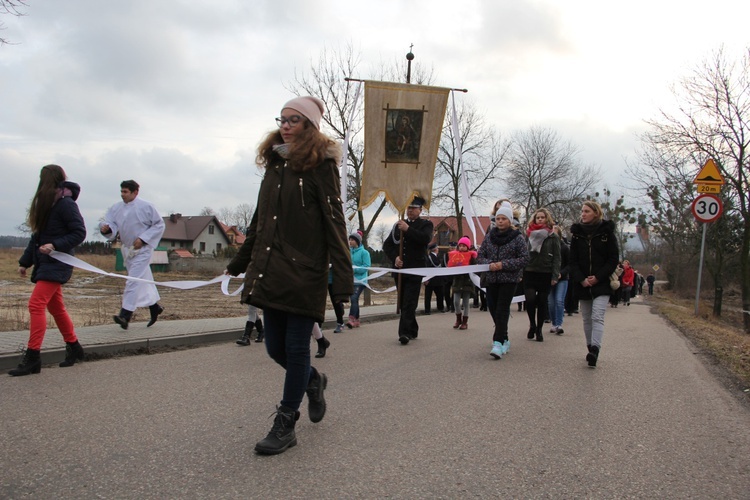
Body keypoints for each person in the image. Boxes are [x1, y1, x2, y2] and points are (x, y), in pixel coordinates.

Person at [225, 95, 352, 455]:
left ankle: (285, 423)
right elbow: (260, 222)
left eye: (294, 119)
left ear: (309, 126)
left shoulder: (321, 167)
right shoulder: (275, 164)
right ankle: (314, 381)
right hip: (270, 270)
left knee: (296, 348)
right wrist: (238, 262)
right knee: (273, 348)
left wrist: (341, 281)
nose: (285, 125)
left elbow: (335, 225)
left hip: (305, 273)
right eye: (282, 118)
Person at [10, 164, 86, 376]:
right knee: (56, 308)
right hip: (45, 263)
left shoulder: (66, 204)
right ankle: (75, 347)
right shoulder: (46, 204)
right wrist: (25, 262)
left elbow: (79, 232)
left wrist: (55, 245)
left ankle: (33, 357)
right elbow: (37, 237)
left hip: (58, 261)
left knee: (36, 305)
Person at [100, 180, 166, 330]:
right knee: (142, 281)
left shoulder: (146, 206)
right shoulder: (116, 208)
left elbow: (159, 224)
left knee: (132, 280)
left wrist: (143, 239)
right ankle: (155, 308)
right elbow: (111, 224)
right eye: (122, 191)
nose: (123, 194)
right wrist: (106, 229)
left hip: (143, 250)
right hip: (127, 250)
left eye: (126, 192)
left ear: (135, 192)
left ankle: (125, 314)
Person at [569, 200, 619, 368]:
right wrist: (581, 279)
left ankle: (595, 349)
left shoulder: (607, 233)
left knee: (597, 315)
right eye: (582, 211)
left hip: (602, 282)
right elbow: (572, 261)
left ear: (596, 213)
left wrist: (598, 277)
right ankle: (590, 347)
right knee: (586, 318)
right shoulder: (576, 234)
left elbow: (613, 259)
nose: (583, 214)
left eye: (587, 211)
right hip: (582, 282)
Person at [476, 201, 529, 359]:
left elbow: (524, 259)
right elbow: (480, 256)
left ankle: (497, 343)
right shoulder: (489, 237)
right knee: (493, 308)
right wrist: (489, 264)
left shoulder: (517, 238)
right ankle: (505, 338)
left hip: (509, 279)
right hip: (492, 279)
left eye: (503, 219)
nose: (500, 221)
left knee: (502, 309)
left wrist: (503, 265)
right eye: (498, 218)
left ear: (510, 220)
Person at [383, 195, 434, 345]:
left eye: (413, 208)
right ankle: (412, 328)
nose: (410, 211)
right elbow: (388, 246)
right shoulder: (398, 225)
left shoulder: (426, 224)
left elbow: (425, 239)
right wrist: (395, 258)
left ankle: (404, 333)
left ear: (420, 209)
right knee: (404, 300)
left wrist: (408, 229)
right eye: (408, 208)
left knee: (409, 302)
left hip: (415, 270)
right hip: (400, 270)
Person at [523, 208, 561, 342]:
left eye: (542, 217)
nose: (539, 219)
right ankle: (532, 324)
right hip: (530, 270)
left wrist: (555, 275)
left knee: (542, 301)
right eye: (537, 217)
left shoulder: (552, 236)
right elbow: (523, 253)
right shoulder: (529, 234)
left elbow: (557, 257)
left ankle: (539, 329)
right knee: (530, 299)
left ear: (547, 219)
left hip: (545, 272)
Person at [447, 236, 477, 330]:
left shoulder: (471, 257)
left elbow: (475, 268)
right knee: (456, 301)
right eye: (460, 246)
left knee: (466, 302)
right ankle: (458, 319)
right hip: (457, 281)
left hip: (467, 282)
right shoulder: (455, 256)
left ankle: (465, 322)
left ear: (468, 247)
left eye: (464, 246)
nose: (462, 248)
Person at [547, 225, 570, 335]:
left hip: (562, 278)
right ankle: (554, 323)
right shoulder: (546, 248)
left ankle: (559, 324)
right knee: (551, 303)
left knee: (559, 300)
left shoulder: (565, 248)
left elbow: (570, 265)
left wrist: (561, 273)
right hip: (550, 278)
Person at [346, 230, 371, 328]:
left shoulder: (364, 253)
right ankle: (356, 320)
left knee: (354, 298)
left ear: (357, 241)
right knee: (354, 300)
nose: (350, 242)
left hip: (360, 280)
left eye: (352, 240)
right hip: (351, 280)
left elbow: (366, 266)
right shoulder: (348, 252)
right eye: (349, 240)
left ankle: (351, 319)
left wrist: (354, 270)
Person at [423, 242, 447, 314]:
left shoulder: (437, 256)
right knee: (429, 296)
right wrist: (426, 278)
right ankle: (430, 309)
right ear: (435, 249)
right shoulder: (429, 257)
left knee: (439, 295)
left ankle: (439, 307)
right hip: (431, 279)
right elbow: (426, 268)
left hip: (437, 279)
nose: (438, 249)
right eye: (437, 248)